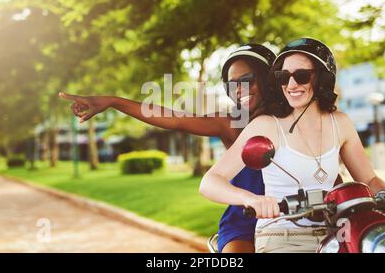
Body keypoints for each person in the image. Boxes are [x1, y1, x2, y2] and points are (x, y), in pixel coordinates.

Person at [199, 37, 385, 253]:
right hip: (282, 237)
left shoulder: (341, 123)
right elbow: (210, 182)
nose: (291, 85)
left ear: (322, 80)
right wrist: (252, 200)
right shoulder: (266, 126)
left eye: (301, 76)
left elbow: (368, 179)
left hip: (335, 234)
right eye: (283, 77)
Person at [59, 43, 277, 252]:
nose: (240, 89)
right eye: (232, 85)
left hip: (290, 216)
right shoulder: (231, 125)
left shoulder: (295, 120)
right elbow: (176, 119)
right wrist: (113, 102)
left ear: (269, 79)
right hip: (244, 221)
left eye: (247, 80)